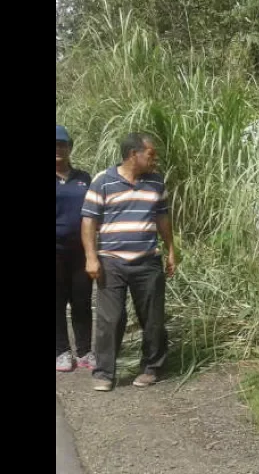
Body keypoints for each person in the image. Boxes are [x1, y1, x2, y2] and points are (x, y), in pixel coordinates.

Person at [81, 132, 177, 391]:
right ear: (134, 154)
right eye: (151, 154)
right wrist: (91, 257)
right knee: (110, 319)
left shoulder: (156, 182)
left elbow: (162, 218)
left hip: (147, 261)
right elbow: (89, 220)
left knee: (153, 319)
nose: (155, 159)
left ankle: (152, 368)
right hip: (111, 262)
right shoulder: (103, 181)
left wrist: (171, 250)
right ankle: (104, 373)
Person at [56, 125, 95, 372]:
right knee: (57, 302)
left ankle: (84, 351)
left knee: (82, 301)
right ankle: (61, 352)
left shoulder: (84, 178)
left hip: (81, 250)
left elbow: (93, 211)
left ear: (70, 148)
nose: (58, 149)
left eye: (62, 144)